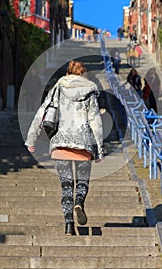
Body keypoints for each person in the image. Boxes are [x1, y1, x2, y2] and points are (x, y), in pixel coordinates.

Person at [25, 60, 104, 236]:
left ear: (68, 73)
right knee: (82, 181)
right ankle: (79, 202)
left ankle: (68, 224)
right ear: (83, 74)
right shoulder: (90, 91)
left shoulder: (58, 88)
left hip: (60, 143)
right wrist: (99, 148)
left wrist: (31, 139)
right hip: (83, 144)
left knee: (66, 185)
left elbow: (42, 112)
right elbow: (96, 121)